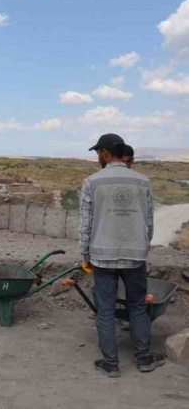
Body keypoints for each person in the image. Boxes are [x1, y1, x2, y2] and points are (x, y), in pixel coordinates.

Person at [80, 133, 164, 377]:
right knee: (137, 307)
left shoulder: (92, 182)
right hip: (134, 256)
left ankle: (111, 364)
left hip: (102, 257)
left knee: (105, 310)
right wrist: (141, 247)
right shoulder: (143, 182)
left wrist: (85, 255)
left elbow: (85, 225)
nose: (98, 157)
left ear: (105, 153)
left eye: (98, 153)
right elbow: (148, 223)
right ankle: (144, 359)